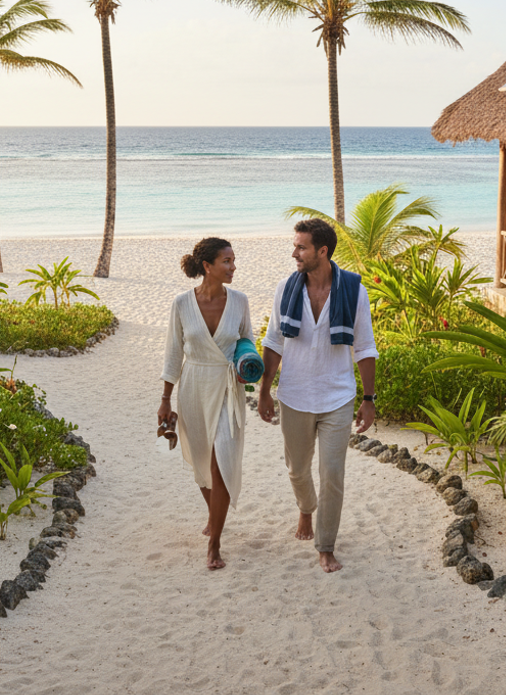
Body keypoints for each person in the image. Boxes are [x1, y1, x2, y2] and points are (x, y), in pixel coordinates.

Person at [258, 219, 378, 573]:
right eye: (295, 246)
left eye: (301, 247)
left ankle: (326, 546)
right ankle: (305, 508)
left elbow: (366, 346)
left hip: (337, 396)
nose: (294, 253)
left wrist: (368, 399)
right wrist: (265, 390)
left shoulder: (354, 290)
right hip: (294, 394)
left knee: (333, 473)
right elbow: (273, 342)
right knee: (297, 470)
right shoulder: (285, 288)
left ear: (322, 251)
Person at [160, 237, 254, 570]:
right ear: (207, 267)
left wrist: (247, 367)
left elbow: (247, 343)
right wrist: (165, 399)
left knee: (222, 463)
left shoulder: (240, 301)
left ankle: (214, 542)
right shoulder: (182, 304)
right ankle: (214, 516)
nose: (232, 267)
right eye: (226, 261)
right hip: (193, 387)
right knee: (202, 463)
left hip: (227, 387)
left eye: (233, 260)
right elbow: (173, 352)